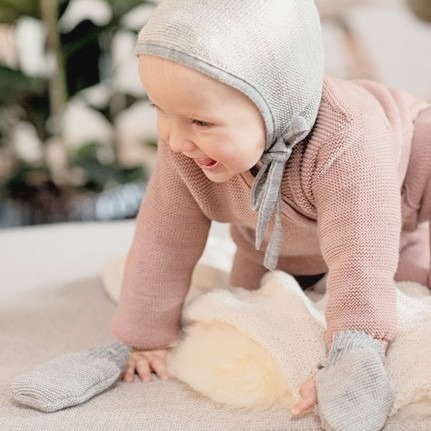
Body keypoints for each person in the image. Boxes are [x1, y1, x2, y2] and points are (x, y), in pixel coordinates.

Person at [111, 0, 431, 429]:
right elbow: (163, 236)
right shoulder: (183, 146)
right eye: (160, 111)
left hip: (395, 186)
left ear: (274, 104)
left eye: (200, 123)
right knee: (251, 303)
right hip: (280, 237)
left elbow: (361, 252)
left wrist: (354, 350)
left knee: (400, 274)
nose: (176, 139)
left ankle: (411, 244)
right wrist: (144, 337)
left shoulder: (348, 137)